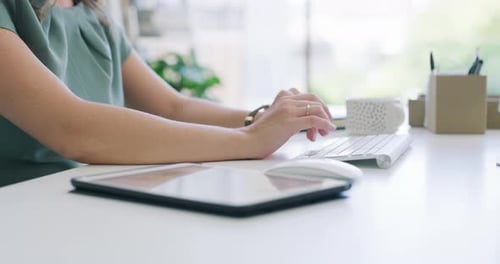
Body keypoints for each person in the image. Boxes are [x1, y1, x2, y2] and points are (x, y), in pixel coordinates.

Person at [0, 0, 335, 187]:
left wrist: (265, 119)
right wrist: (250, 140)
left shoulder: (91, 13)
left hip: (93, 197)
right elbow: (71, 129)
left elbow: (172, 106)